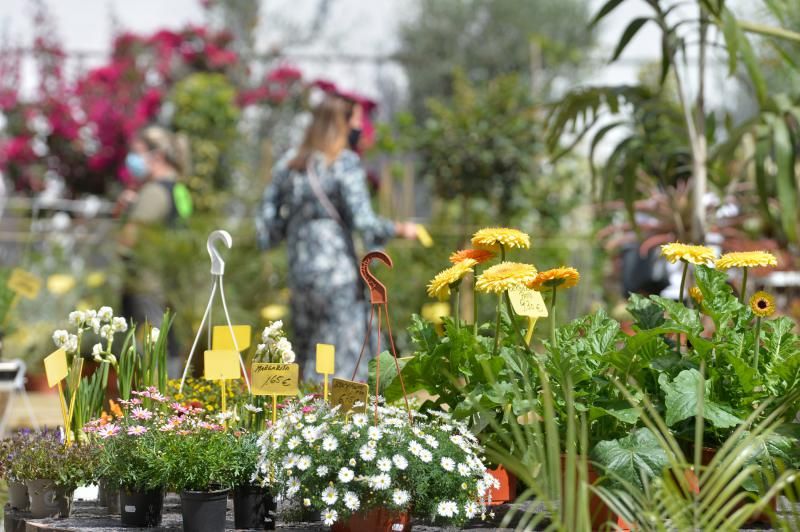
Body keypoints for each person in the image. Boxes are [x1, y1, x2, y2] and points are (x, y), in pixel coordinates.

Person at [256, 95, 417, 381]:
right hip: (337, 275)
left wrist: (281, 235)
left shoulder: (290, 164)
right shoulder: (344, 163)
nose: (359, 126)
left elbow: (267, 220)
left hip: (300, 273)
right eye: (355, 120)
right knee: (344, 353)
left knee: (305, 349)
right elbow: (363, 220)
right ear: (341, 123)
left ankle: (302, 412)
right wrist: (399, 229)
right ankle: (341, 419)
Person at [117, 125, 191, 377]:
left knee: (148, 349)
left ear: (156, 156)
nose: (133, 161)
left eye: (137, 153)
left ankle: (154, 407)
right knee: (167, 343)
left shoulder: (153, 192)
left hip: (146, 284)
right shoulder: (179, 191)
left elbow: (130, 238)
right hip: (171, 282)